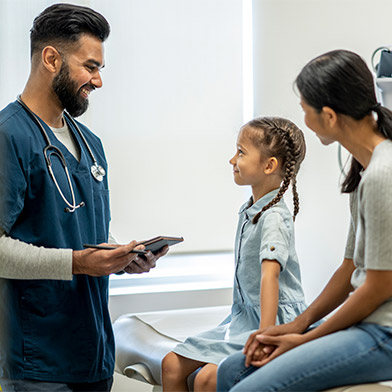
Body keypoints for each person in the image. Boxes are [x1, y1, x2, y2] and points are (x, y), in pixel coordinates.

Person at [0, 4, 168, 391]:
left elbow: (76, 232)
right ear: (51, 58)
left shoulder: (90, 145)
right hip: (38, 361)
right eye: (90, 67)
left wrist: (120, 258)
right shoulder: (10, 137)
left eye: (100, 70)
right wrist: (79, 263)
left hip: (92, 354)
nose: (98, 81)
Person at [217, 49, 392, 392]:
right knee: (232, 370)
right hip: (367, 324)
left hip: (384, 332)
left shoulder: (383, 174)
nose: (304, 122)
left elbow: (380, 285)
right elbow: (349, 268)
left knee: (247, 388)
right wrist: (299, 324)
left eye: (305, 111)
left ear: (328, 116)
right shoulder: (364, 169)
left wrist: (303, 339)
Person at [161, 117, 307, 392]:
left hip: (271, 321)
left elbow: (270, 278)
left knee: (207, 380)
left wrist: (265, 338)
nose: (232, 160)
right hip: (241, 320)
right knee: (171, 365)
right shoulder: (250, 209)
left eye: (240, 152)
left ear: (269, 165)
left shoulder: (274, 217)